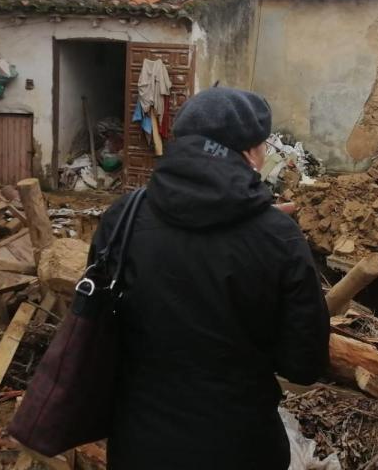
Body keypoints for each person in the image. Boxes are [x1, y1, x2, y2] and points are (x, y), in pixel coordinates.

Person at [95, 87, 330, 469]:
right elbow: (304, 364)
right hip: (241, 446)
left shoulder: (123, 218)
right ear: (250, 153)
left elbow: (98, 324)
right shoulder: (278, 237)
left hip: (139, 444)